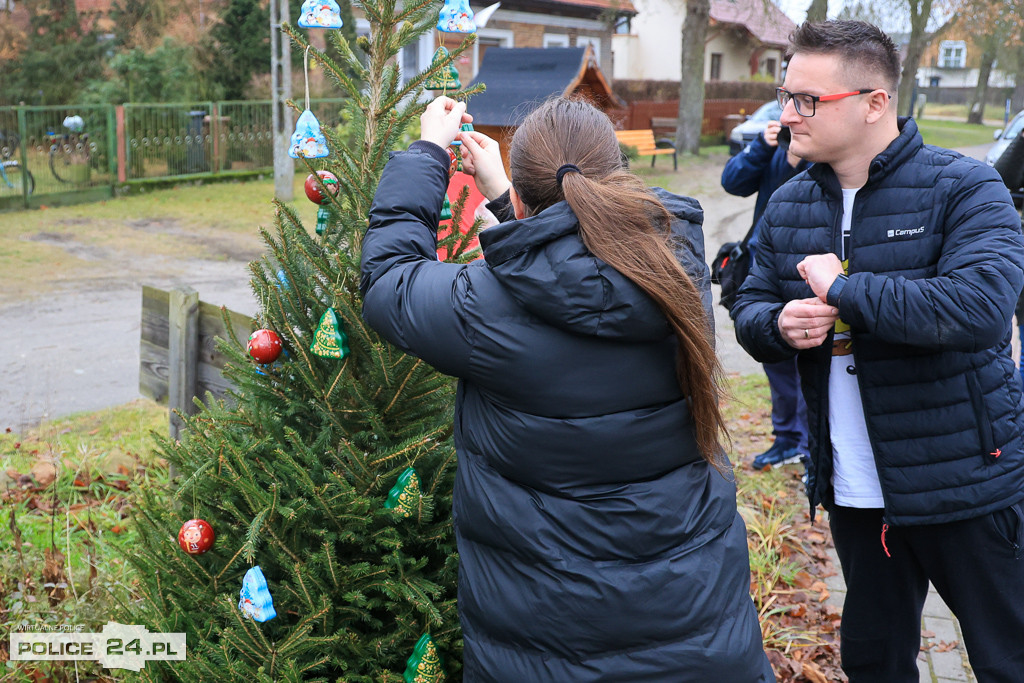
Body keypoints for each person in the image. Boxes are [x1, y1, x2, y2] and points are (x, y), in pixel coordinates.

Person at [361, 96, 773, 681]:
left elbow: (389, 282)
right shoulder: (676, 268)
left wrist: (428, 152)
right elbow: (580, 262)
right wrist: (509, 201)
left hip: (548, 645)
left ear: (526, 201)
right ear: (619, 177)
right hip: (697, 629)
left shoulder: (484, 305)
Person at [731, 20, 1024, 682]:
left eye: (808, 100)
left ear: (874, 102)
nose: (787, 114)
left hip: (967, 482)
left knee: (1008, 658)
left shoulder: (966, 187)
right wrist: (778, 323)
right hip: (856, 492)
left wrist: (844, 290)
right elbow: (748, 306)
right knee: (874, 662)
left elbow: (979, 307)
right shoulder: (789, 204)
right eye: (786, 96)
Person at [721, 120, 811, 471]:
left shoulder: (825, 151)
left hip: (811, 272)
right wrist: (761, 146)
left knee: (812, 364)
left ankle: (811, 445)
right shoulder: (772, 149)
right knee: (777, 362)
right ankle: (788, 439)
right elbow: (732, 182)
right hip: (766, 272)